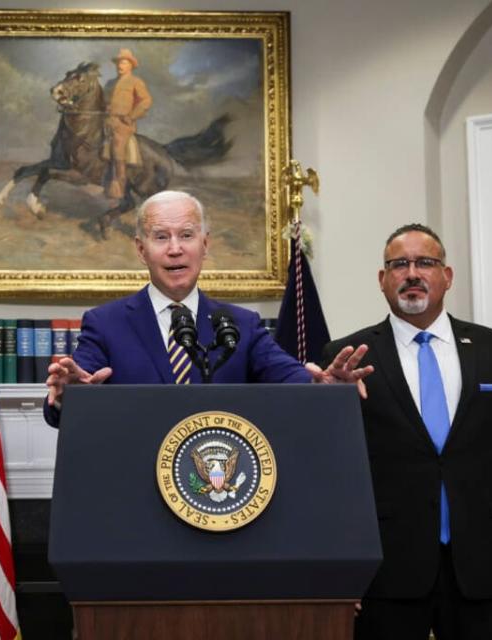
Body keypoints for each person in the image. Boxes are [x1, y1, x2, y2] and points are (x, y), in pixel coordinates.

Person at [323, 223, 492, 640]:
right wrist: (339, 568)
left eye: (425, 263)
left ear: (446, 276)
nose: (412, 273)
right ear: (383, 280)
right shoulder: (347, 357)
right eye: (399, 264)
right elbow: (333, 475)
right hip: (385, 572)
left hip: (485, 566)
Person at [44, 190, 372, 426]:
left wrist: (324, 389)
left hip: (221, 487)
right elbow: (73, 389)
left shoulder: (241, 324)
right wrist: (67, 396)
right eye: (161, 237)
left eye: (186, 235)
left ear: (205, 244)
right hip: (137, 487)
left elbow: (291, 379)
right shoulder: (105, 324)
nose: (175, 249)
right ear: (141, 250)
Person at [103, 48, 152, 200]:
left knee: (118, 149)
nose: (120, 65)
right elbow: (103, 101)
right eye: (118, 62)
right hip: (106, 121)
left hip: (123, 125)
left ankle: (119, 188)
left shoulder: (135, 82)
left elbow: (146, 101)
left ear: (131, 65)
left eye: (123, 62)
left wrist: (131, 116)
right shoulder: (110, 83)